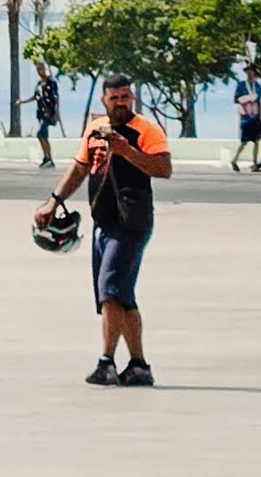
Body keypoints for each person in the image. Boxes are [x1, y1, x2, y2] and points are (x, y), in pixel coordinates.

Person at [35, 72, 171, 388]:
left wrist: (127, 151)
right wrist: (53, 202)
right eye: (115, 98)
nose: (121, 103)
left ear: (132, 98)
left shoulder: (145, 130)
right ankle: (138, 366)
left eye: (126, 97)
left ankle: (106, 362)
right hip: (103, 222)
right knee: (121, 296)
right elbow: (81, 167)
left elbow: (163, 169)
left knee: (110, 289)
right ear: (104, 100)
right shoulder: (95, 129)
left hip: (132, 223)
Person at [21, 60, 60, 168]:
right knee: (43, 136)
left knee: (41, 134)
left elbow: (56, 98)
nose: (39, 71)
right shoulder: (39, 84)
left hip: (49, 113)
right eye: (38, 70)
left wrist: (56, 113)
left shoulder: (51, 82)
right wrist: (23, 102)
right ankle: (47, 158)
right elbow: (35, 97)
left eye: (41, 69)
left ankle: (49, 158)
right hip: (41, 113)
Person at [232, 65, 261, 171]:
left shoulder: (257, 86)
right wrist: (246, 99)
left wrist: (260, 115)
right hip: (246, 116)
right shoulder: (241, 85)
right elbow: (236, 99)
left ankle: (255, 164)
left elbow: (259, 101)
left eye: (251, 72)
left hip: (255, 116)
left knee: (257, 140)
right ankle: (234, 160)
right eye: (248, 72)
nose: (250, 74)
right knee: (245, 141)